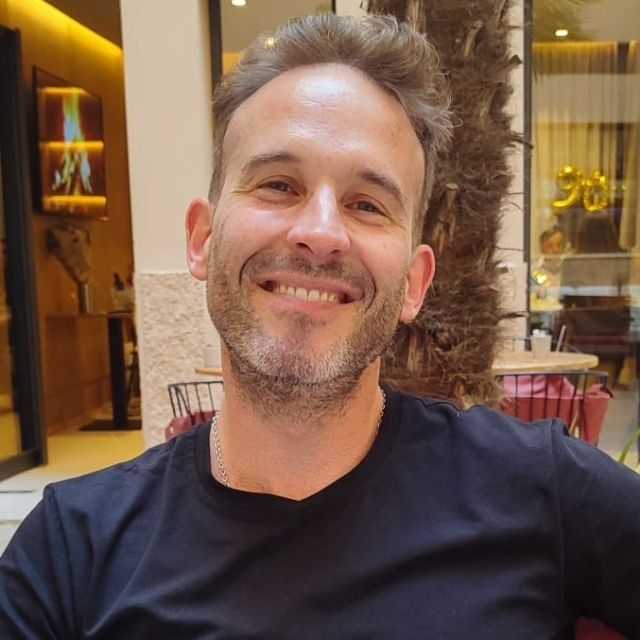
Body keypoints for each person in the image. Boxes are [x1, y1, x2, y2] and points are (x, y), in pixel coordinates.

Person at [1, 14, 640, 639]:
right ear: (202, 239)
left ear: (415, 283)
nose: (320, 232)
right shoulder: (70, 550)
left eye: (367, 204)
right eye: (279, 185)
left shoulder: (543, 491)